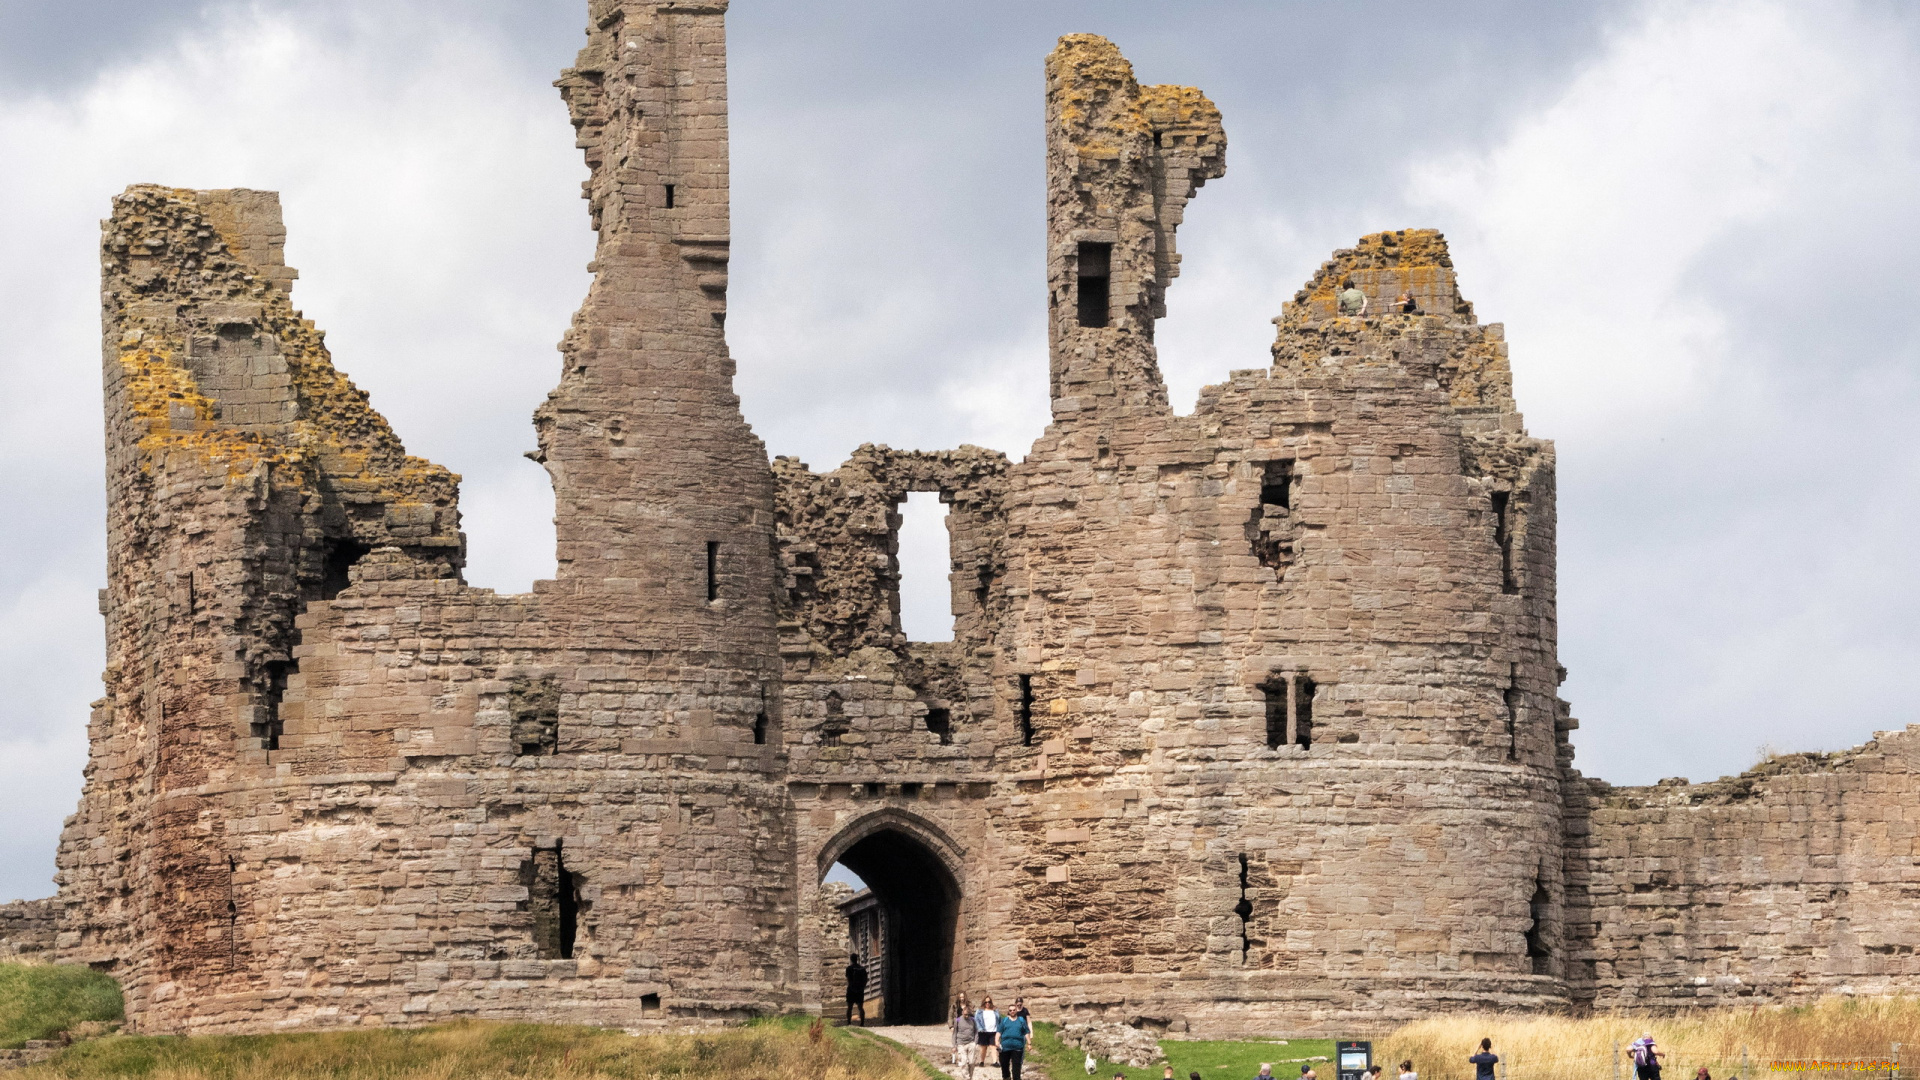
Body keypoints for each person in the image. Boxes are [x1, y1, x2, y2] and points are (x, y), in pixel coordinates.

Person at [996, 1001, 1031, 1080]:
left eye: (1014, 1010)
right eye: (1010, 1010)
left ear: (1016, 1010)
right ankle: (1007, 1077)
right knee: (1004, 1065)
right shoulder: (1004, 1020)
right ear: (1008, 1011)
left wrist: (1029, 1043)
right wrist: (997, 1042)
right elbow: (998, 1032)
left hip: (1017, 1047)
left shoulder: (1021, 1020)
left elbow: (1026, 1032)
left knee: (1016, 1067)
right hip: (1005, 1047)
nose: (1012, 1011)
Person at [951, 1000, 978, 1077]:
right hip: (961, 1044)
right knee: (963, 1062)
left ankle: (970, 1077)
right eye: (965, 1014)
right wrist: (954, 1046)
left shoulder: (973, 1020)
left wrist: (975, 1042)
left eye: (968, 1015)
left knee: (972, 1062)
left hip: (971, 1043)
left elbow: (976, 1031)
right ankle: (966, 1077)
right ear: (962, 1012)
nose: (966, 1016)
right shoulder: (958, 1020)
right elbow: (954, 1033)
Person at [975, 996, 1000, 1069]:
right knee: (983, 1047)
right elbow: (976, 1021)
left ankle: (995, 1062)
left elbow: (999, 1020)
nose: (987, 1003)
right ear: (983, 1002)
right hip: (983, 1031)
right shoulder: (979, 1011)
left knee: (993, 1046)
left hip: (993, 1031)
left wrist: (999, 1029)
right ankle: (982, 1061)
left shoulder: (995, 1010)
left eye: (989, 1002)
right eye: (986, 1002)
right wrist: (979, 1028)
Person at [843, 955, 867, 1025]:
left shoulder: (849, 968)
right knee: (860, 1007)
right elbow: (865, 980)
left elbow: (848, 979)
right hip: (860, 990)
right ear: (857, 959)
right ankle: (862, 1023)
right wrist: (862, 987)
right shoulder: (862, 969)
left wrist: (852, 987)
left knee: (849, 1007)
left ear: (851, 959)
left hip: (851, 989)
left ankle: (849, 1022)